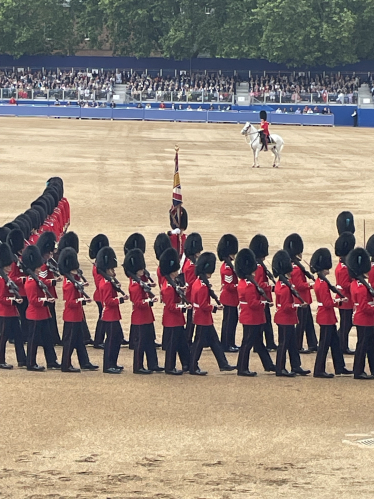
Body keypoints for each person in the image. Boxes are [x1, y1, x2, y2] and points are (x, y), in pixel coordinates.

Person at [190, 252, 236, 375]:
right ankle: (193, 366)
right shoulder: (203, 287)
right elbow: (204, 305)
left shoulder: (198, 283)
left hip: (203, 318)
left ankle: (223, 364)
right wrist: (215, 308)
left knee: (215, 341)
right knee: (199, 343)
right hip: (203, 318)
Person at [310, 248, 352, 378]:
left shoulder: (321, 281)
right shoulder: (322, 284)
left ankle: (339, 366)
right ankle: (319, 370)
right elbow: (327, 303)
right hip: (326, 317)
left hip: (328, 317)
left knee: (335, 343)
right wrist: (339, 301)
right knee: (324, 345)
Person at [235, 248, 276, 376]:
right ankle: (242, 368)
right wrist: (264, 303)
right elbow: (253, 304)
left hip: (251, 317)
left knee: (258, 342)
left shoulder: (245, 282)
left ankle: (268, 365)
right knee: (247, 343)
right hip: (251, 317)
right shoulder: (249, 285)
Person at [58, 248, 98, 373]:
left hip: (77, 315)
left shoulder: (73, 281)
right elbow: (71, 302)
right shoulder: (69, 283)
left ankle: (85, 362)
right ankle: (66, 364)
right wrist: (82, 300)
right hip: (71, 316)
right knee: (69, 342)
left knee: (79, 341)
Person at [272, 250, 311, 377]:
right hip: (285, 318)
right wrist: (299, 305)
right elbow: (286, 306)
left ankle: (296, 365)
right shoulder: (283, 287)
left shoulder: (283, 283)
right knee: (284, 344)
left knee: (292, 344)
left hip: (287, 319)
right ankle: (280, 368)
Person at [124, 248, 163, 374]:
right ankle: (138, 366)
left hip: (146, 316)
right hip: (140, 317)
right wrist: (150, 301)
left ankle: (153, 364)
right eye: (141, 269)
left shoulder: (140, 282)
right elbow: (138, 303)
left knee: (150, 341)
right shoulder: (135, 285)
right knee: (140, 344)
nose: (143, 271)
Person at [22, 246, 60, 372]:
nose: (40, 268)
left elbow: (44, 282)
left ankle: (51, 361)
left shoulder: (36, 279)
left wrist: (54, 281)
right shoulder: (31, 282)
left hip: (43, 314)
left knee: (48, 339)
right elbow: (33, 300)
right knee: (33, 341)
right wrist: (46, 301)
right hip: (35, 315)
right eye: (38, 267)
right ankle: (31, 363)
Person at [283, 233, 318, 353]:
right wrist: (312, 285)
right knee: (301, 325)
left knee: (308, 324)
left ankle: (313, 343)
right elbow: (299, 286)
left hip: (304, 300)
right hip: (300, 300)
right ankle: (298, 345)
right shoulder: (296, 269)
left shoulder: (296, 266)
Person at [159, 247, 190, 374]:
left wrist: (183, 290)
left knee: (182, 343)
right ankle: (169, 367)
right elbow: (171, 306)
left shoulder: (172, 283)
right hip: (172, 320)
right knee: (172, 346)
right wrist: (183, 307)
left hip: (177, 319)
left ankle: (187, 364)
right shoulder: (167, 287)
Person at [97, 246, 128, 374]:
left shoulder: (109, 282)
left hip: (113, 315)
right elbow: (108, 301)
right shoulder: (105, 283)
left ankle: (113, 363)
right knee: (111, 341)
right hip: (109, 315)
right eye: (111, 269)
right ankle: (108, 365)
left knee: (116, 339)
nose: (113, 271)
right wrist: (121, 299)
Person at [346, 248, 374, 379]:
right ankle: (358, 371)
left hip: (363, 319)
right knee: (363, 346)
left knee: (367, 345)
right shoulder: (362, 287)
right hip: (365, 320)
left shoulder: (356, 284)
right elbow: (365, 307)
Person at [0, 243, 27, 369]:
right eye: (8, 265)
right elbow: (1, 298)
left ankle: (22, 359)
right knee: (3, 338)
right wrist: (13, 300)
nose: (11, 266)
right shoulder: (1, 279)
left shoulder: (6, 278)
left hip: (13, 311)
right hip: (5, 312)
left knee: (19, 335)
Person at [250, 234, 278, 350]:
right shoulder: (259, 267)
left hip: (263, 297)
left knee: (265, 323)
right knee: (264, 323)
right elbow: (259, 284)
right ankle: (263, 344)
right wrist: (270, 287)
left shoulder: (259, 265)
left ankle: (266, 343)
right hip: (262, 298)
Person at [37, 231, 62, 346]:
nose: (50, 255)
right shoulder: (42, 265)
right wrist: (53, 281)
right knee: (48, 318)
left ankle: (54, 338)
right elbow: (41, 281)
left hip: (50, 294)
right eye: (49, 253)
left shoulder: (47, 262)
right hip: (46, 294)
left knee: (52, 317)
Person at [335, 228, 356, 355]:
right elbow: (345, 284)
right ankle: (341, 346)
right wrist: (357, 282)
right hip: (345, 299)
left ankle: (340, 344)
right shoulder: (343, 268)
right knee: (345, 325)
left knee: (346, 324)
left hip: (346, 299)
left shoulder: (344, 265)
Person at [217, 234, 239, 352]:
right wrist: (240, 286)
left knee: (232, 321)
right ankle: (226, 344)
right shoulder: (227, 268)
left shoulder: (229, 266)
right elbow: (229, 286)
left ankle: (231, 342)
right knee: (229, 323)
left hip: (232, 299)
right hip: (229, 298)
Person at [7, 229, 29, 344]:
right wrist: (23, 279)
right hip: (18, 292)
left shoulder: (20, 258)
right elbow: (12, 277)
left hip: (25, 292)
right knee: (18, 317)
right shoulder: (13, 261)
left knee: (24, 317)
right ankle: (15, 336)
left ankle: (23, 335)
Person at [89, 234, 109, 350]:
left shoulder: (100, 264)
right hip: (100, 295)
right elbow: (100, 283)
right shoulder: (98, 266)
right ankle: (98, 341)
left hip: (101, 295)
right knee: (102, 318)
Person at [182, 232, 203, 345]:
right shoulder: (190, 266)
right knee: (191, 321)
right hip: (191, 297)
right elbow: (191, 284)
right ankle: (187, 340)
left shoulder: (190, 263)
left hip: (192, 296)